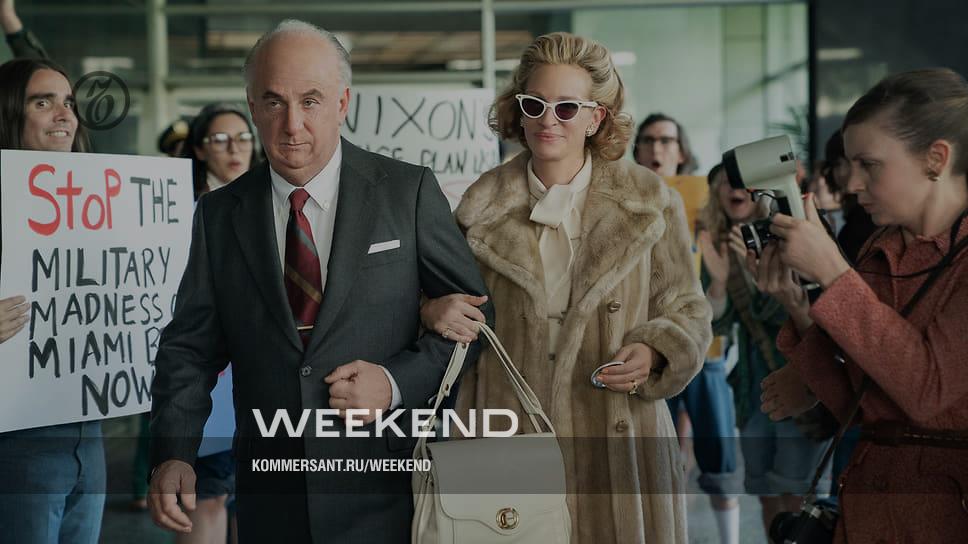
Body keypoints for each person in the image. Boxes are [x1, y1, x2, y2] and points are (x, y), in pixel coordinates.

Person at [147, 19, 492, 544]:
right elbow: (189, 348)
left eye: (310, 100)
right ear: (253, 106)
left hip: (388, 488)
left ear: (343, 103)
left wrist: (395, 382)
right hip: (270, 493)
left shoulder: (407, 192)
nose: (292, 124)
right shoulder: (219, 215)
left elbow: (476, 318)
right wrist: (174, 452)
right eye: (274, 102)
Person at [420, 32, 711, 543]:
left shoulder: (648, 200)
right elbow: (435, 302)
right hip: (506, 431)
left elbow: (688, 309)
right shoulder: (478, 208)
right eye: (534, 104)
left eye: (567, 107)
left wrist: (655, 352)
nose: (548, 120)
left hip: (619, 434)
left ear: (596, 117)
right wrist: (432, 311)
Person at [758, 67, 968, 543]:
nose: (852, 183)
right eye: (850, 164)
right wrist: (795, 302)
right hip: (868, 512)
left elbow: (926, 390)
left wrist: (834, 273)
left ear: (936, 158)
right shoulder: (881, 248)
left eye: (869, 165)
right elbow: (857, 406)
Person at [696, 157, 831, 536]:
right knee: (764, 489)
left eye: (741, 182)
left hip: (800, 372)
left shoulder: (787, 232)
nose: (733, 189)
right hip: (752, 385)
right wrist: (718, 283)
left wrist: (754, 273)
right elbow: (719, 325)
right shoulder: (720, 244)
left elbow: (803, 308)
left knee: (798, 492)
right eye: (725, 183)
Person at [0, 57, 103, 544]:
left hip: (88, 429)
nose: (65, 115)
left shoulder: (102, 204)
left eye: (69, 103)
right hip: (14, 436)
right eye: (43, 102)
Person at [634, 115, 742, 544]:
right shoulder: (627, 199)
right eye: (648, 140)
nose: (656, 148)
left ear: (681, 150)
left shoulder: (706, 204)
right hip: (647, 345)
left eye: (666, 140)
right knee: (656, 459)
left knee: (719, 458)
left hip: (705, 346)